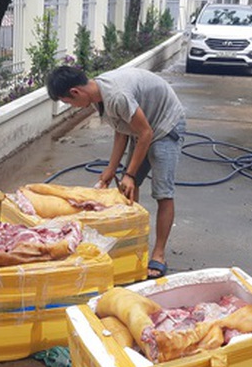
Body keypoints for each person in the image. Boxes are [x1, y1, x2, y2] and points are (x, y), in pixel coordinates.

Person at [46, 66, 186, 280]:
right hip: (143, 127)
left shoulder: (116, 95)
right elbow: (122, 131)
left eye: (68, 103)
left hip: (165, 125)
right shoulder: (95, 95)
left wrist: (129, 174)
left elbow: (146, 133)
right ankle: (135, 244)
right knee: (127, 187)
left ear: (75, 92)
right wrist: (110, 172)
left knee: (162, 192)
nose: (72, 107)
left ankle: (158, 253)